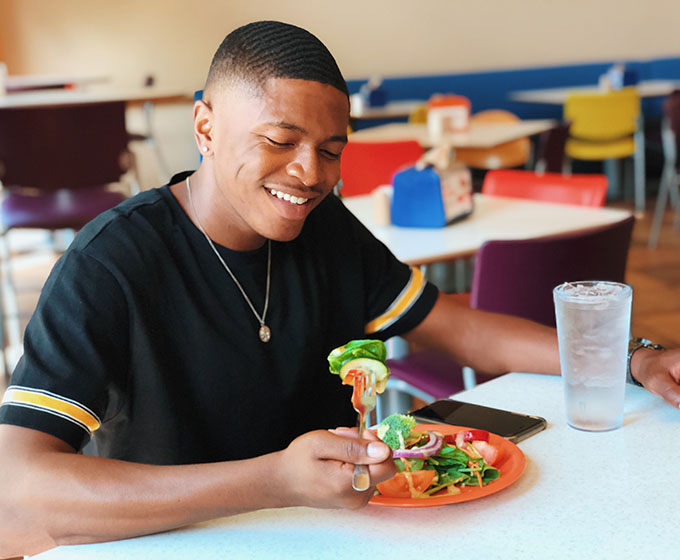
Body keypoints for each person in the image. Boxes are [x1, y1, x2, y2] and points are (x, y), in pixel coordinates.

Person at [0, 20, 678, 558]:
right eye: (278, 139)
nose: (308, 174)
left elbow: (460, 328)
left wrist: (632, 356)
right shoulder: (111, 263)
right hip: (176, 541)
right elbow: (18, 490)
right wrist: (273, 478)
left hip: (332, 534)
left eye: (331, 149)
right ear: (205, 126)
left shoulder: (324, 230)